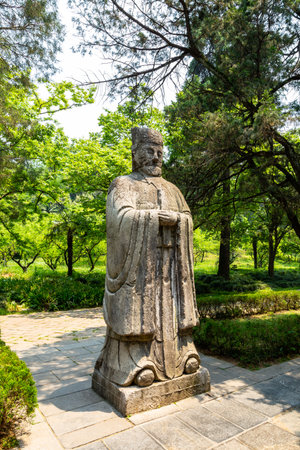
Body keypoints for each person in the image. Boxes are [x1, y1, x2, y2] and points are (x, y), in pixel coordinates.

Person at [94, 127, 200, 387]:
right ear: (135, 154)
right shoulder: (124, 185)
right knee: (142, 316)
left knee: (172, 315)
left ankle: (181, 355)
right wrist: (152, 218)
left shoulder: (173, 190)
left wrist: (177, 220)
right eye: (149, 152)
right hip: (142, 273)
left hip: (171, 272)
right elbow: (119, 220)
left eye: (159, 152)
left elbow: (187, 219)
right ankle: (137, 361)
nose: (155, 157)